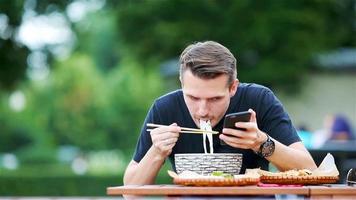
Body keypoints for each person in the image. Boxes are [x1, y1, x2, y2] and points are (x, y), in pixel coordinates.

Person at [123, 41, 316, 185]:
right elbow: (129, 192)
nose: (202, 111)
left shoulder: (258, 100)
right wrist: (156, 152)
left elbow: (310, 172)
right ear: (182, 84)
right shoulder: (165, 108)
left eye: (214, 99)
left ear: (233, 87)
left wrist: (261, 142)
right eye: (193, 98)